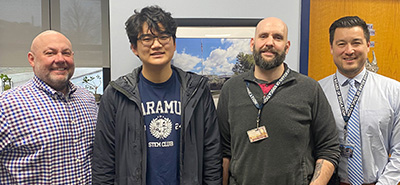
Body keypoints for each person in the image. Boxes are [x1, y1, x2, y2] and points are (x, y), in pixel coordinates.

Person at [92, 6, 222, 184]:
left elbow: (212, 153)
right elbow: (104, 160)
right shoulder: (116, 94)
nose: (157, 44)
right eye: (147, 38)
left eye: (163, 37)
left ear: (174, 44)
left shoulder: (198, 90)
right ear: (134, 47)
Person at [217, 17, 340, 185]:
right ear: (253, 43)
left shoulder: (309, 89)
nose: (270, 42)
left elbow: (329, 148)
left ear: (287, 47)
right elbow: (224, 151)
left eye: (277, 37)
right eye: (263, 36)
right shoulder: (231, 89)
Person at [0, 30, 97, 184]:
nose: (60, 59)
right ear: (32, 59)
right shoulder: (7, 106)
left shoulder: (88, 100)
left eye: (66, 53)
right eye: (50, 53)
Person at [319, 16, 400, 185]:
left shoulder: (394, 91)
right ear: (331, 48)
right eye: (341, 44)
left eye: (356, 43)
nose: (349, 51)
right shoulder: (317, 92)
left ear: (368, 45)